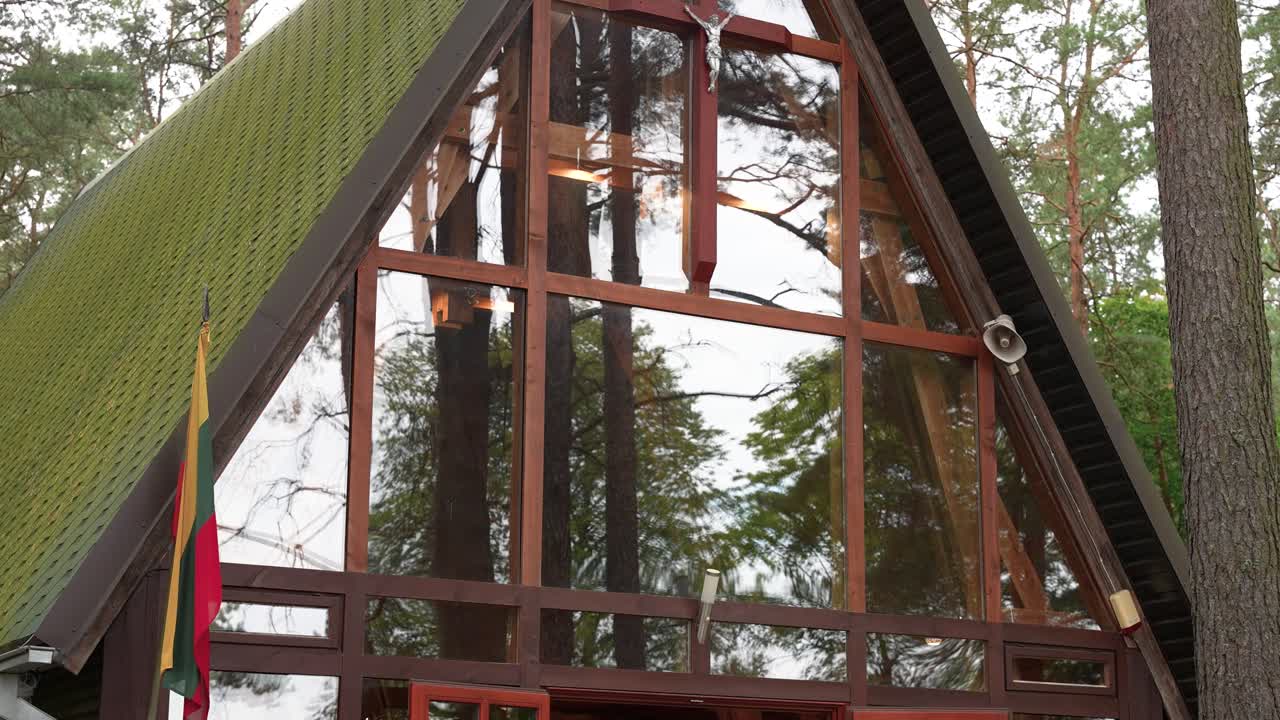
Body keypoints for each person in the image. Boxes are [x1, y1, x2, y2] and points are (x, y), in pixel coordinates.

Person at [685, 6, 735, 93]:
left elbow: (724, 22)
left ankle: (712, 84)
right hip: (711, 47)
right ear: (711, 20)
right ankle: (712, 84)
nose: (716, 20)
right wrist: (689, 12)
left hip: (717, 48)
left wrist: (729, 17)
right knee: (714, 69)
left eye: (717, 19)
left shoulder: (719, 28)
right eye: (715, 19)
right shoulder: (708, 26)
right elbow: (697, 19)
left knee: (718, 70)